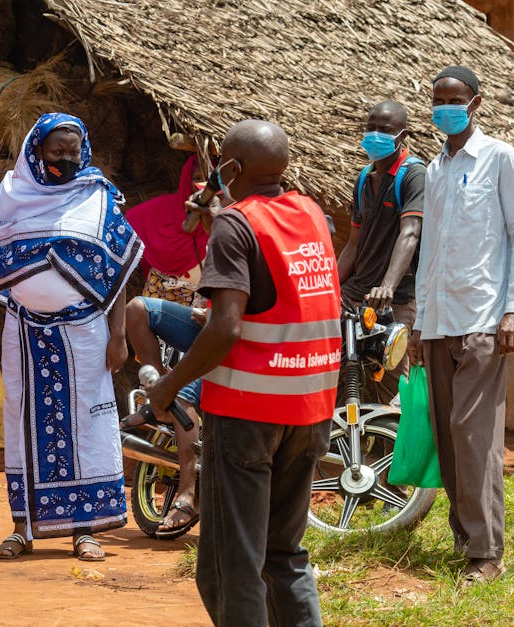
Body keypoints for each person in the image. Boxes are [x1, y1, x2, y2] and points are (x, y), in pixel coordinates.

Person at [149, 120, 339, 626]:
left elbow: (225, 328)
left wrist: (167, 386)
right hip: (311, 409)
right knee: (283, 553)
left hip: (249, 413)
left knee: (232, 564)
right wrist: (220, 220)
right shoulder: (312, 213)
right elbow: (271, 273)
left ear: (230, 168)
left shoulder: (237, 224)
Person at [0, 113, 143, 562]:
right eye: (57, 153)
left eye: (73, 151)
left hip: (84, 333)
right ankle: (22, 527)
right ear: (37, 152)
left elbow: (117, 264)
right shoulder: (12, 194)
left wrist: (118, 333)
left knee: (87, 423)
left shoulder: (97, 195)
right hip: (26, 333)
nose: (67, 159)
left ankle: (84, 530)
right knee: (23, 424)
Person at [408, 65, 514, 586]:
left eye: (454, 99)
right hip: (438, 322)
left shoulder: (500, 158)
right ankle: (464, 535)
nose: (443, 107)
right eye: (437, 99)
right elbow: (429, 252)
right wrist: (420, 322)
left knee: (474, 439)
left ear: (475, 103)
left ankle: (487, 552)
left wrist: (512, 309)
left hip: (482, 318)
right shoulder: (435, 169)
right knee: (448, 439)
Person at [122, 154, 211, 537]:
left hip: (234, 337)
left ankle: (189, 495)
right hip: (200, 322)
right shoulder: (173, 220)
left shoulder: (241, 226)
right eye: (198, 180)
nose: (200, 190)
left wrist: (218, 314)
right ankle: (158, 391)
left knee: (185, 398)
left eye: (210, 183)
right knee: (137, 309)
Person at [338, 100, 424, 403]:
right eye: (370, 128)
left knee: (390, 385)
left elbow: (410, 233)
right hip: (356, 293)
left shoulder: (412, 175)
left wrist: (387, 286)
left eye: (384, 130)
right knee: (337, 371)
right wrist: (330, 288)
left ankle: (388, 448)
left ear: (402, 135)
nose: (375, 135)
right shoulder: (363, 179)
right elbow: (353, 243)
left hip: (395, 298)